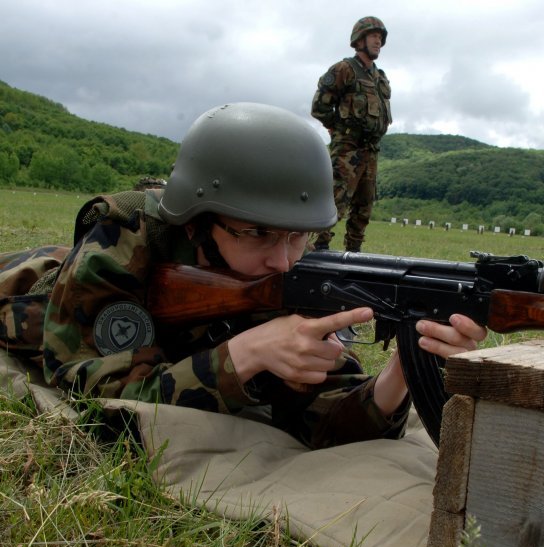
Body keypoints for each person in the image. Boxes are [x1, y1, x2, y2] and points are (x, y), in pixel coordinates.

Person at [0, 102, 485, 449]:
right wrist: (245, 354)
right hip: (24, 288)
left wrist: (404, 367)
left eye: (300, 236)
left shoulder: (288, 275)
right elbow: (91, 395)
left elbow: (329, 423)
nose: (283, 260)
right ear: (198, 220)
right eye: (258, 233)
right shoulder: (126, 236)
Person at [310, 16, 392, 253]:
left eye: (380, 37)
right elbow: (319, 106)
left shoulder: (379, 76)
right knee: (335, 202)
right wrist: (336, 128)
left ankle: (354, 255)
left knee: (364, 207)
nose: (378, 41)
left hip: (371, 151)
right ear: (360, 40)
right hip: (348, 148)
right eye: (373, 36)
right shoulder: (344, 69)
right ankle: (318, 250)